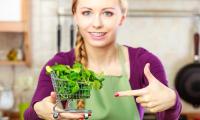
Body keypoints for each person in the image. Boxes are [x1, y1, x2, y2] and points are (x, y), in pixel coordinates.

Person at [24, 0, 182, 119]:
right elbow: (31, 114)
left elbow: (166, 116)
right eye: (87, 12)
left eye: (107, 13)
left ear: (122, 17)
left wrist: (172, 101)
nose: (97, 23)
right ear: (75, 16)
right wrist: (39, 111)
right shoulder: (59, 65)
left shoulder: (144, 63)